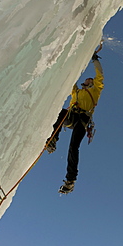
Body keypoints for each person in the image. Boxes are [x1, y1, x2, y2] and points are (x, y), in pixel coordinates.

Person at [45, 51, 104, 194]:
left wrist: (95, 60)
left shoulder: (96, 90)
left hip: (83, 120)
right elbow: (70, 80)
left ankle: (70, 179)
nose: (90, 80)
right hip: (72, 116)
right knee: (60, 113)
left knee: (73, 147)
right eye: (88, 79)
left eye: (91, 80)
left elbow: (100, 75)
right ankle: (53, 139)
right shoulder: (76, 91)